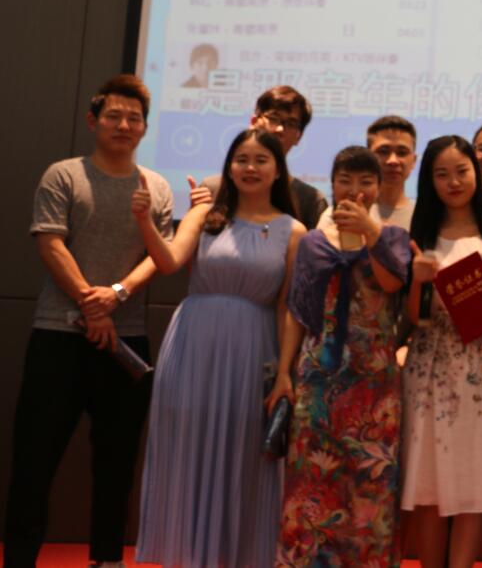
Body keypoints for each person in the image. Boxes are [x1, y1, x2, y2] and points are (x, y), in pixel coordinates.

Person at [5, 74, 173, 568]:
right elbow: (50, 242)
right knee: (34, 459)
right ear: (93, 121)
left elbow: (158, 255)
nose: (124, 125)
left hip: (127, 341)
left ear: (145, 128)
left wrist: (116, 295)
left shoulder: (157, 186)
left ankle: (107, 560)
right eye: (114, 116)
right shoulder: (64, 175)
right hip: (58, 336)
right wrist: (90, 303)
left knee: (117, 462)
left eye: (134, 118)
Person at [133, 129, 306, 567]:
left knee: (243, 459)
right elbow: (169, 261)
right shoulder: (205, 215)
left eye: (261, 160)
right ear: (229, 167)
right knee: (188, 451)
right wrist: (145, 222)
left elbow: (288, 308)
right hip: (193, 345)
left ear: (278, 170)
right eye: (241, 159)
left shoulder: (293, 231)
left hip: (254, 349)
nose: (250, 168)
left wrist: (284, 373)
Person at [272, 147, 412, 566]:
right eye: (345, 181)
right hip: (319, 377)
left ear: (379, 187)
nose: (355, 190)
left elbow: (391, 284)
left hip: (374, 383)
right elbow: (297, 312)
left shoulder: (393, 237)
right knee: (311, 482)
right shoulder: (313, 243)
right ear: (332, 185)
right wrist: (284, 373)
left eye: (365, 182)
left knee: (371, 487)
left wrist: (370, 232)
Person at [402, 135, 482, 568]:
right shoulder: (418, 237)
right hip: (430, 366)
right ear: (429, 181)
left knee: (475, 482)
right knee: (429, 485)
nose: (453, 182)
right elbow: (413, 319)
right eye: (442, 174)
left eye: (461, 171)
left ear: (476, 172)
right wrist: (417, 282)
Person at [195, 85, 329, 227]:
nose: (280, 129)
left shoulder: (311, 201)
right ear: (254, 122)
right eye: (273, 118)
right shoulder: (212, 189)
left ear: (299, 136)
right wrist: (196, 216)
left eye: (291, 123)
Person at [367, 114, 419, 229]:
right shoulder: (348, 212)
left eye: (402, 153)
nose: (393, 160)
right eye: (383, 151)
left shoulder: (426, 216)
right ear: (368, 157)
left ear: (414, 160)